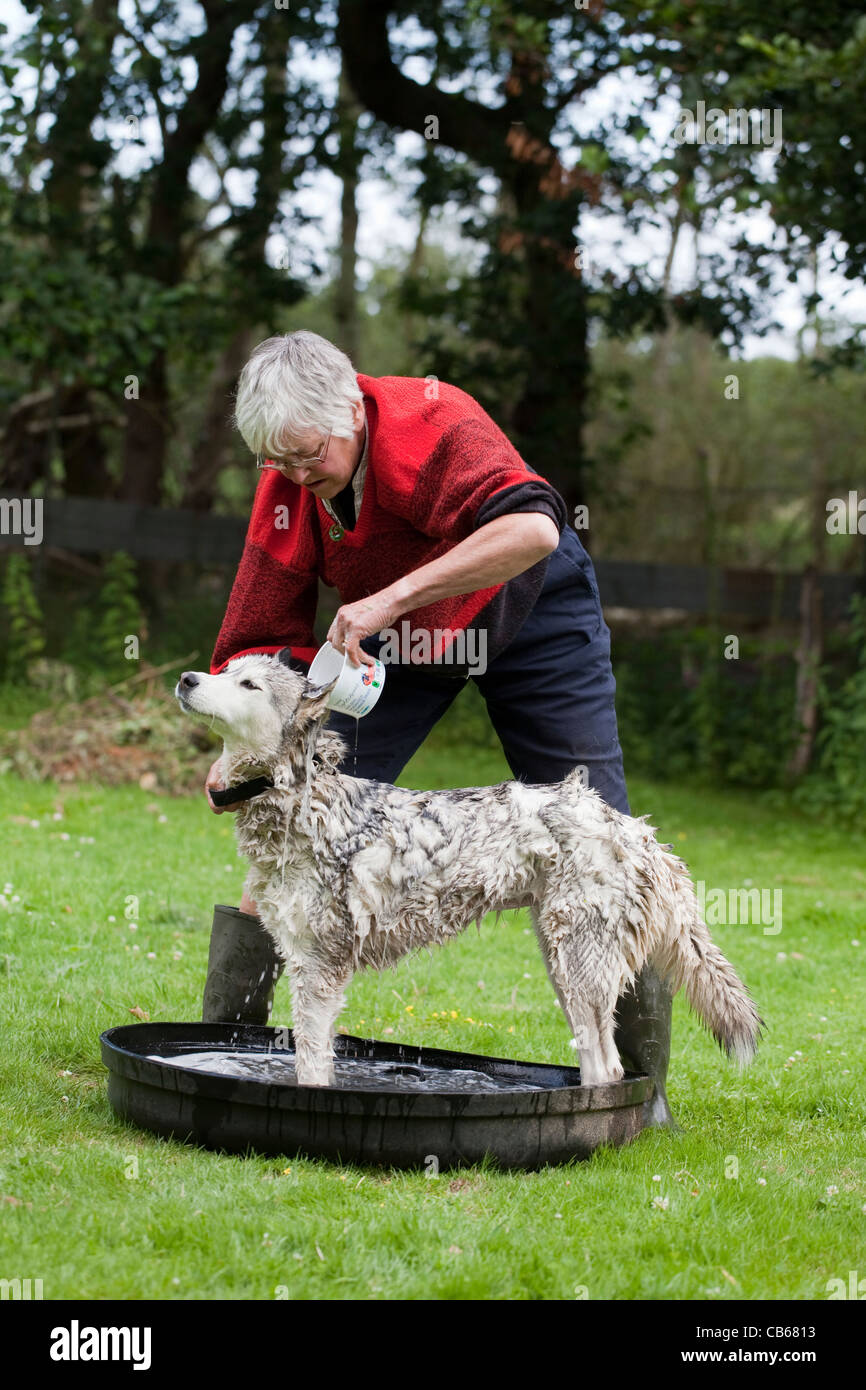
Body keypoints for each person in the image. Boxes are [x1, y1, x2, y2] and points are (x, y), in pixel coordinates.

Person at [201, 329, 676, 1128]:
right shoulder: (288, 470)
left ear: (351, 408)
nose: (291, 475)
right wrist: (241, 751)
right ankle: (219, 1057)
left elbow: (532, 530)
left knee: (602, 833)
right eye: (274, 461)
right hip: (398, 640)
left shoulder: (434, 419)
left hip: (530, 610)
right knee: (300, 821)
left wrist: (391, 598)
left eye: (306, 455)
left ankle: (637, 1094)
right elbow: (261, 621)